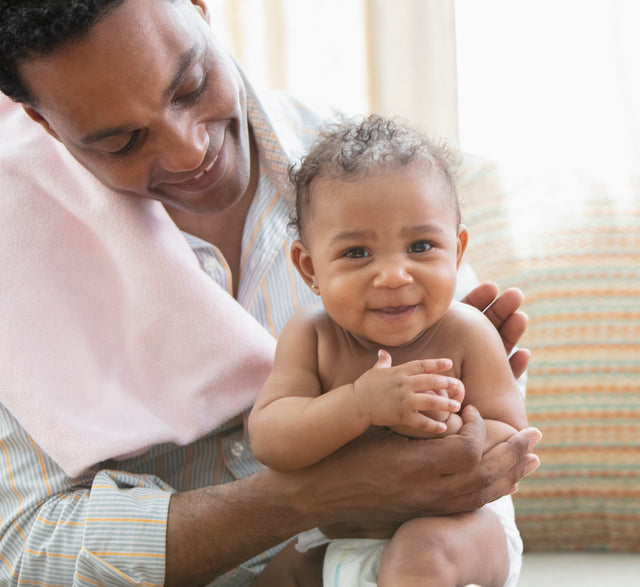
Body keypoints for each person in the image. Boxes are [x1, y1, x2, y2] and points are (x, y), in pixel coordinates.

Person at [0, 1, 541, 586]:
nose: (190, 152)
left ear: (199, 8)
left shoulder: (374, 176)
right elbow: (24, 550)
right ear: (45, 122)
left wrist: (463, 435)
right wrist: (311, 496)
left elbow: (499, 435)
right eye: (122, 141)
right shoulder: (17, 253)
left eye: (190, 86)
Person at [247, 115, 529, 587]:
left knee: (420, 557)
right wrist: (358, 405)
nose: (395, 275)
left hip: (458, 533)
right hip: (341, 536)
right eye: (357, 253)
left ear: (456, 252)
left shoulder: (467, 332)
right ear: (309, 267)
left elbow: (512, 438)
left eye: (420, 246)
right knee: (282, 571)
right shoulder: (311, 337)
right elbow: (271, 437)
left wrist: (441, 428)